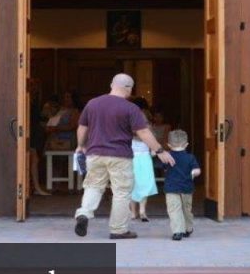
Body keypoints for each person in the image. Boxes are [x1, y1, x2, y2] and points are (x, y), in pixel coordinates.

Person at [74, 74, 175, 239]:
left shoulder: (93, 103)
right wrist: (159, 150)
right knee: (121, 192)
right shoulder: (130, 108)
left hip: (95, 154)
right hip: (120, 156)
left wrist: (80, 145)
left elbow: (82, 127)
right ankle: (118, 229)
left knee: (93, 186)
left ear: (111, 84)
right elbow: (143, 132)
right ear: (129, 89)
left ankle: (84, 213)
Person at [163, 129, 200, 241]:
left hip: (171, 187)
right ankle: (188, 229)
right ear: (186, 144)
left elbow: (164, 169)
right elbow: (197, 170)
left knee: (174, 210)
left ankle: (177, 232)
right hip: (187, 188)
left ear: (169, 145)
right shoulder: (190, 157)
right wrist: (193, 173)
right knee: (186, 209)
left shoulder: (167, 157)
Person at [129, 100, 158, 222]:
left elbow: (153, 146)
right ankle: (133, 212)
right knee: (131, 185)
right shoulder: (127, 131)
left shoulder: (149, 130)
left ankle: (142, 211)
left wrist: (153, 150)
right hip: (132, 159)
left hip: (144, 158)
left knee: (144, 184)